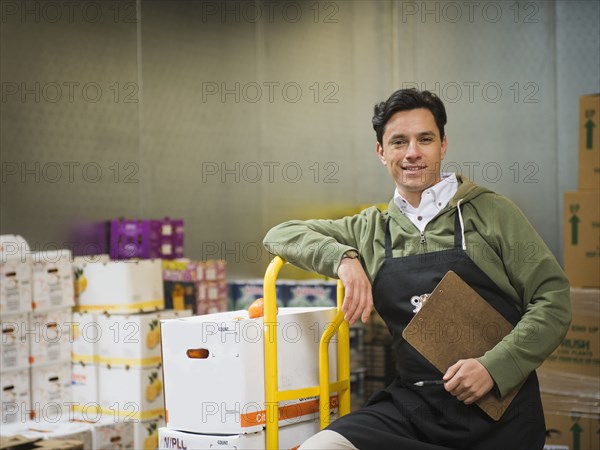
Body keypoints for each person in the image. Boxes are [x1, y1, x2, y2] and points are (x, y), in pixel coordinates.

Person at [262, 89, 571, 450]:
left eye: (424, 139)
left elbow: (553, 299)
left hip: (500, 414)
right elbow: (280, 234)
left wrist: (494, 368)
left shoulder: (492, 213)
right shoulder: (370, 228)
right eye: (398, 141)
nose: (412, 152)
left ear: (443, 144)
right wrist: (343, 259)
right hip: (413, 411)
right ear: (381, 152)